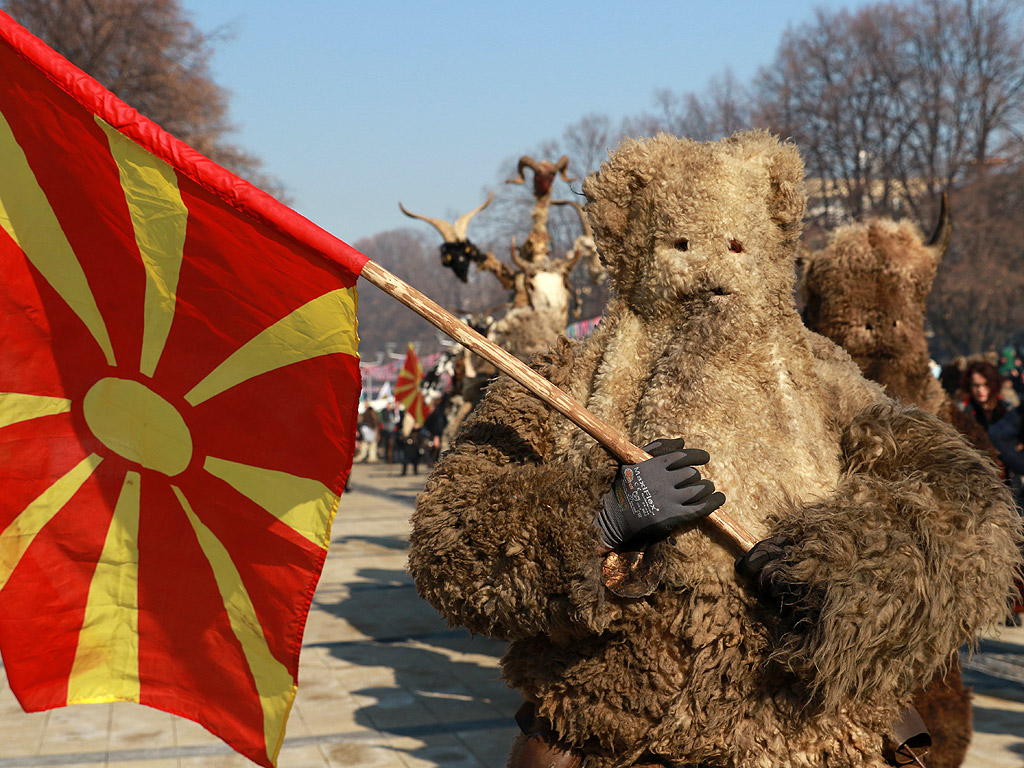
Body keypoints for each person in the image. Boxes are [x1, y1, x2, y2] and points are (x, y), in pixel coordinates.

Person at [960, 359, 1007, 430]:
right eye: (976, 385)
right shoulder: (963, 410)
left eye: (985, 385)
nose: (980, 390)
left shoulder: (1005, 408)